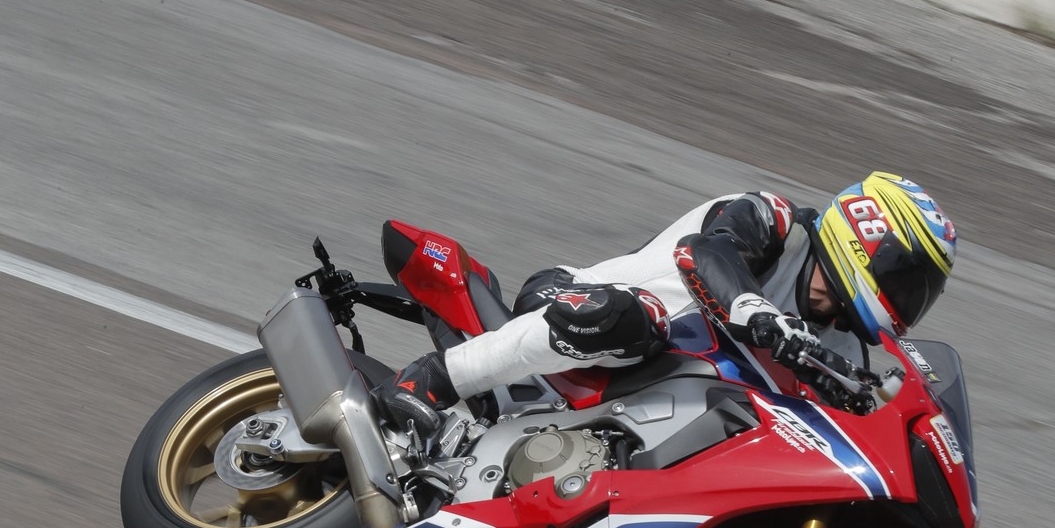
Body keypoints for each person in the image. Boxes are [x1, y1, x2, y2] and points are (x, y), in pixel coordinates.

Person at [374, 171, 956, 427]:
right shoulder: (776, 222)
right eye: (907, 279)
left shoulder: (844, 351)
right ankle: (436, 378)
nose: (908, 300)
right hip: (579, 305)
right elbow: (709, 252)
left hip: (656, 396)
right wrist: (760, 314)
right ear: (869, 240)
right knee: (635, 322)